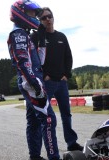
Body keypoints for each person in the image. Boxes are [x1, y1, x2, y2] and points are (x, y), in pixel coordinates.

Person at [7, 0, 67, 160]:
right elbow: (23, 62)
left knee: (33, 121)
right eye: (32, 13)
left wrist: (40, 40)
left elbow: (38, 61)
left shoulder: (24, 34)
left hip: (31, 80)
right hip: (31, 82)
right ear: (21, 12)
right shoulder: (18, 34)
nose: (36, 16)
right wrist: (35, 84)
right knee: (49, 119)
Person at [30, 7, 83, 151]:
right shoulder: (37, 37)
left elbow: (68, 57)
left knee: (66, 113)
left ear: (53, 18)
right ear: (40, 21)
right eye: (44, 18)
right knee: (45, 117)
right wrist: (45, 74)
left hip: (62, 82)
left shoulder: (61, 37)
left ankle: (71, 143)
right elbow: (34, 59)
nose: (48, 19)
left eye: (50, 16)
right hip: (47, 82)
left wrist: (67, 75)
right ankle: (50, 150)